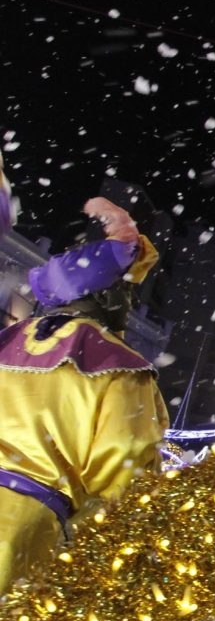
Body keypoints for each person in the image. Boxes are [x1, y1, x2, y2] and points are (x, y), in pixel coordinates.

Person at [0, 197, 167, 592]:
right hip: (22, 530)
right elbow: (124, 479)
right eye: (128, 294)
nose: (129, 306)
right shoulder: (121, 367)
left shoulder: (6, 341)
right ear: (107, 297)